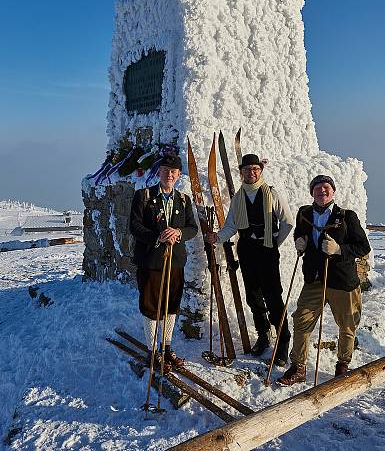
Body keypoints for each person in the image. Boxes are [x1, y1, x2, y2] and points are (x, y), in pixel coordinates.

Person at [277, 175, 371, 386]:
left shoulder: (347, 217)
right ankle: (298, 366)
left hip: (342, 281)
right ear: (312, 193)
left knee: (347, 324)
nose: (322, 191)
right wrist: (299, 242)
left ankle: (342, 365)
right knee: (301, 319)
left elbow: (363, 247)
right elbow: (300, 234)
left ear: (333, 191)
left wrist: (339, 249)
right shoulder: (304, 213)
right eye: (317, 189)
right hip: (315, 280)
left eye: (326, 188)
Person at [206, 154, 295, 361]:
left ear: (260, 171)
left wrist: (272, 243)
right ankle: (263, 335)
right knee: (253, 296)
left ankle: (282, 340)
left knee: (273, 297)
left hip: (267, 251)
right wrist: (218, 237)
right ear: (242, 173)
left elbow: (287, 222)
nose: (251, 172)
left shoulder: (272, 193)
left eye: (255, 169)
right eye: (247, 170)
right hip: (246, 250)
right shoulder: (238, 197)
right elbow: (231, 225)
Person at [129, 154, 198, 372]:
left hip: (175, 260)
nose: (170, 174)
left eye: (174, 172)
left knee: (171, 305)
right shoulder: (144, 196)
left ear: (178, 175)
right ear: (159, 172)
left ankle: (166, 347)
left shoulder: (183, 199)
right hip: (151, 260)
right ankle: (153, 351)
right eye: (166, 170)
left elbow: (192, 228)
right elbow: (135, 226)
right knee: (151, 305)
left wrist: (177, 232)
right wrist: (159, 236)